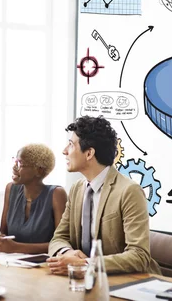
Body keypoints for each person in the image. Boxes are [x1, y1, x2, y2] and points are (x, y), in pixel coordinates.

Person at [47, 116, 161, 275]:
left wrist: (86, 264)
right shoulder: (77, 189)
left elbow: (139, 256)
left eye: (71, 144)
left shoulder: (129, 191)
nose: (64, 150)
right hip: (86, 281)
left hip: (127, 282)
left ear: (89, 153)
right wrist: (67, 253)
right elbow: (58, 238)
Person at [0, 144, 67, 254]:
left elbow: (61, 244)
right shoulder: (11, 189)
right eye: (15, 162)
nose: (14, 168)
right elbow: (3, 233)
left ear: (39, 170)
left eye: (20, 163)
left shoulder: (56, 194)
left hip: (45, 266)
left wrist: (15, 248)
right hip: (12, 264)